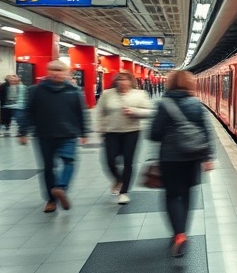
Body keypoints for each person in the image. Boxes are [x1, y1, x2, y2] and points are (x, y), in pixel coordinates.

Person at [149, 70, 216, 257]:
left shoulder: (163, 104)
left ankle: (178, 234)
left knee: (172, 196)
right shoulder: (196, 104)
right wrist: (208, 157)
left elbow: (153, 134)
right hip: (192, 158)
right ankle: (183, 231)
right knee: (186, 195)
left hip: (169, 159)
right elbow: (206, 132)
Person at [18, 60, 88, 213]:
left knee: (69, 161)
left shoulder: (74, 92)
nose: (56, 73)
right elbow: (27, 111)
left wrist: (84, 132)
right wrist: (23, 132)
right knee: (48, 168)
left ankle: (60, 188)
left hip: (68, 134)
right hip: (44, 135)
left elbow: (81, 113)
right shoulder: (35, 90)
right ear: (47, 72)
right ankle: (51, 200)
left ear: (66, 73)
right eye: (53, 70)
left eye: (60, 70)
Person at [96, 70, 154, 205]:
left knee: (128, 162)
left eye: (125, 79)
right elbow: (100, 112)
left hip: (132, 132)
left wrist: (135, 111)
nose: (122, 82)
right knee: (109, 161)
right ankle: (118, 179)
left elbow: (150, 111)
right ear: (115, 81)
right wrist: (100, 128)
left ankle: (124, 192)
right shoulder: (107, 94)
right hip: (111, 132)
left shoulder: (140, 94)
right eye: (119, 79)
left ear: (131, 81)